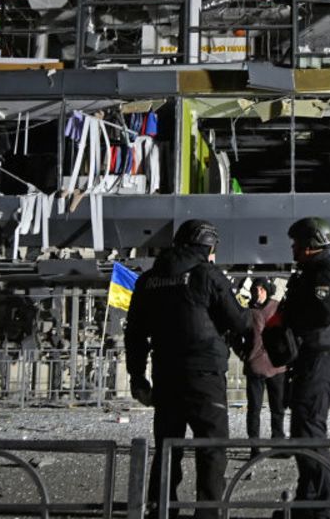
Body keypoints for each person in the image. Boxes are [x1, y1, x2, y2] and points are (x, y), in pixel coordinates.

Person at [125, 219, 250, 519]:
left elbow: (135, 334)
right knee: (211, 447)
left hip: (165, 374)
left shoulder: (148, 280)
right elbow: (239, 321)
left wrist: (137, 377)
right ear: (207, 246)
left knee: (168, 447)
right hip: (204, 375)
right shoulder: (207, 274)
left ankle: (162, 509)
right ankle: (208, 513)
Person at [271, 217, 330, 519]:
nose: (293, 247)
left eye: (297, 242)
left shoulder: (323, 271)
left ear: (310, 243)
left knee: (311, 431)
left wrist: (291, 324)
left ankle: (321, 508)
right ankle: (307, 503)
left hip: (319, 358)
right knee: (303, 431)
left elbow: (325, 313)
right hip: (309, 359)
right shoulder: (309, 273)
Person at [242, 277, 285, 458]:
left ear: (267, 290)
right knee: (254, 409)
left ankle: (278, 443)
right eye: (255, 289)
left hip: (276, 365)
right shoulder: (247, 311)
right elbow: (236, 334)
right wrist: (244, 354)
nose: (257, 292)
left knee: (278, 408)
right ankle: (255, 447)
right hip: (256, 366)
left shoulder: (277, 308)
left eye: (260, 289)